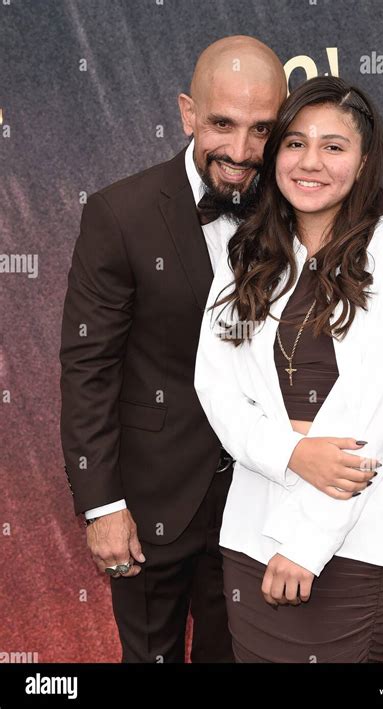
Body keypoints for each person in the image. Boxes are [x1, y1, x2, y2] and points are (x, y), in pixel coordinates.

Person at [59, 34, 290, 663]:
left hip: (258, 503)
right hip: (149, 501)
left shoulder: (295, 208)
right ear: (188, 113)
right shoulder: (120, 212)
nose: (241, 152)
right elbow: (89, 368)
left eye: (262, 130)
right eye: (222, 124)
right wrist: (102, 504)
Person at [194, 75, 383, 663]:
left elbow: (375, 407)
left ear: (363, 162)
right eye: (295, 143)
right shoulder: (247, 256)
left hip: (349, 538)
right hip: (249, 533)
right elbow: (216, 386)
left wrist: (307, 544)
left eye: (334, 146)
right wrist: (292, 451)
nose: (311, 162)